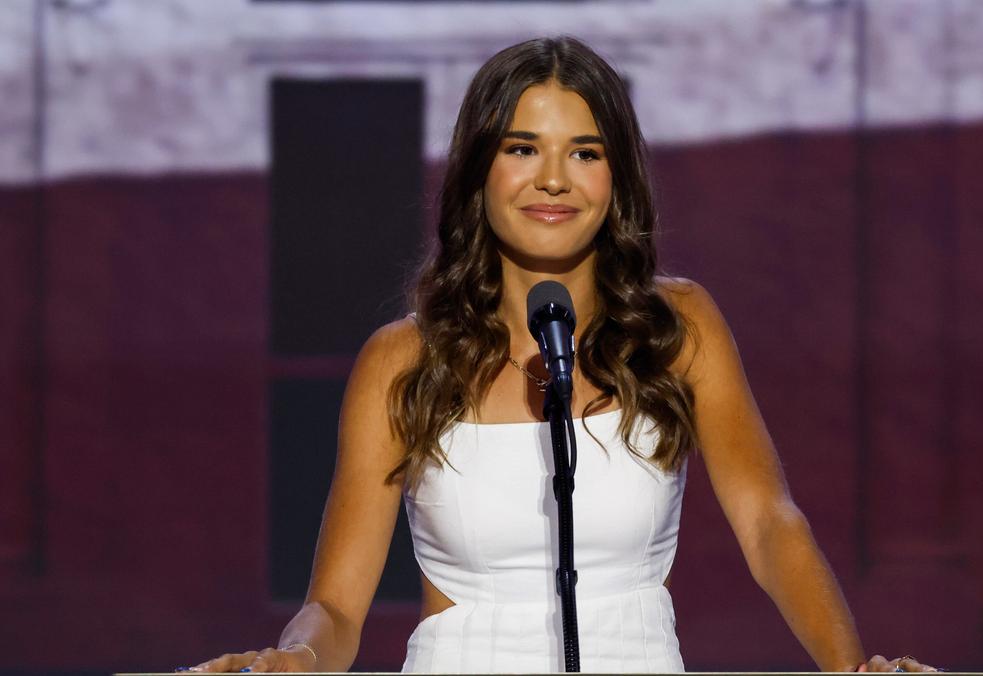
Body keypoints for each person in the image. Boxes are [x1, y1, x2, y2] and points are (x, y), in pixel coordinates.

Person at [183, 36, 941, 673]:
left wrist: (851, 669)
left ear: (616, 179)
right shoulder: (401, 361)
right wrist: (295, 660)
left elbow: (769, 524)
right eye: (523, 148)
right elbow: (336, 606)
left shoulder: (681, 325)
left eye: (585, 152)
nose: (554, 178)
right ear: (481, 170)